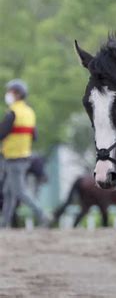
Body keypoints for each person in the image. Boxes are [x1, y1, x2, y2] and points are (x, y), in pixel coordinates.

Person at [0, 79, 49, 228]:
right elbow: (34, 136)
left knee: (20, 192)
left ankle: (43, 215)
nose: (8, 94)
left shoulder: (13, 113)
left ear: (17, 94)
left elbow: (1, 134)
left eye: (10, 92)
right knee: (8, 192)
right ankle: (3, 224)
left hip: (12, 158)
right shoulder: (29, 112)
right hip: (24, 156)